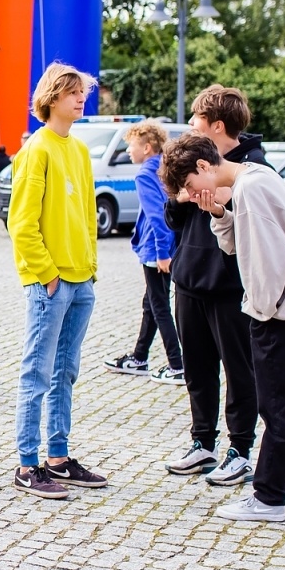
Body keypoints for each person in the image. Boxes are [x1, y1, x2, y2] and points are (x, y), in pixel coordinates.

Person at [161, 133, 285, 522]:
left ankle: (268, 498)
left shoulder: (251, 188)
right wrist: (218, 214)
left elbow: (269, 258)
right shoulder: (252, 179)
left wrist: (261, 310)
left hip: (279, 314)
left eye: (189, 185)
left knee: (276, 407)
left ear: (203, 166)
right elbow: (240, 245)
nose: (189, 195)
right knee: (281, 402)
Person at [6, 63, 107, 499]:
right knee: (37, 373)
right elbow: (21, 222)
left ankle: (59, 458)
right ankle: (27, 464)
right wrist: (46, 274)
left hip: (81, 280)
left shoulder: (79, 150)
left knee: (66, 372)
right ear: (51, 98)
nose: (81, 98)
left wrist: (90, 267)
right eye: (72, 92)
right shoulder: (36, 149)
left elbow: (86, 215)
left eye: (83, 91)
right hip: (51, 282)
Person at [159, 86, 270, 484]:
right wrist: (181, 199)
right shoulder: (194, 161)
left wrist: (224, 200)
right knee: (198, 369)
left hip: (231, 288)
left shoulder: (254, 168)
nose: (191, 124)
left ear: (217, 126)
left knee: (240, 371)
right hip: (189, 281)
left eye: (197, 118)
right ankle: (202, 442)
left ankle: (240, 449)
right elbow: (172, 217)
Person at [103, 122, 182, 384]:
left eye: (132, 145)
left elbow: (158, 215)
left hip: (156, 249)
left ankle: (177, 364)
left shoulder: (145, 175)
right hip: (166, 245)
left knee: (159, 306)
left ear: (147, 148)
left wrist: (161, 252)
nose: (128, 150)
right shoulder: (164, 168)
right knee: (151, 303)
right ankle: (139, 357)